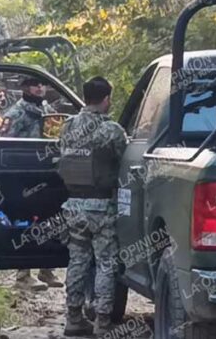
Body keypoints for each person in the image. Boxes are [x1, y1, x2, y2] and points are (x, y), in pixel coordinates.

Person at [57, 77, 127, 336]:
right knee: (106, 263)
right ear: (107, 99)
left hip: (73, 205)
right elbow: (126, 161)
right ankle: (103, 321)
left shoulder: (67, 127)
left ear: (85, 97)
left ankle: (74, 318)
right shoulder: (112, 130)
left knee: (77, 260)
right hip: (102, 207)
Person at [4, 76, 63, 290]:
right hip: (24, 177)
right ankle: (23, 274)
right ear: (25, 88)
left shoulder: (47, 110)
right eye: (35, 85)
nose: (40, 88)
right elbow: (5, 145)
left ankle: (46, 269)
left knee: (50, 221)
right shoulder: (16, 113)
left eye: (42, 84)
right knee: (26, 222)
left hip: (47, 174)